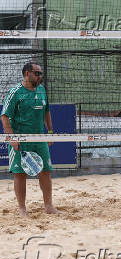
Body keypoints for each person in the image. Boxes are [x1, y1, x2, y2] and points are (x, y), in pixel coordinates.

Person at [1, 62, 59, 217]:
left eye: (41, 73)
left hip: (39, 138)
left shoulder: (41, 90)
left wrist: (51, 131)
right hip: (20, 139)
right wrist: (12, 137)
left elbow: (47, 112)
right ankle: (22, 209)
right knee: (20, 174)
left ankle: (48, 206)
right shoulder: (15, 92)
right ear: (27, 73)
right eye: (37, 73)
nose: (40, 76)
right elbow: (4, 116)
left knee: (46, 171)